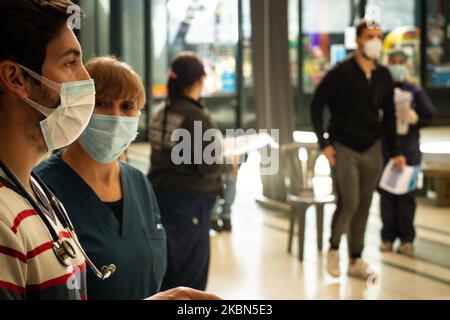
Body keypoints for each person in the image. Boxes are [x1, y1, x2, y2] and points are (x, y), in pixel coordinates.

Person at [0, 0, 218, 301]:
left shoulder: (38, 194)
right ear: (16, 78)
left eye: (128, 106)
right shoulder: (9, 216)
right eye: (70, 63)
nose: (85, 81)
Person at [34, 57, 165, 300]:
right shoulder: (42, 189)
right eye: (102, 103)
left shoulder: (139, 183)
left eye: (127, 106)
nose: (115, 117)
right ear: (76, 106)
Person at [310, 20, 406, 280]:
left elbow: (389, 116)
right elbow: (316, 106)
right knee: (349, 201)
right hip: (344, 147)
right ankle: (333, 249)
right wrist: (325, 144)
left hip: (372, 147)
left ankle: (355, 258)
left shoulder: (383, 75)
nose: (374, 41)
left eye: (378, 36)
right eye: (369, 36)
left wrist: (395, 150)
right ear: (358, 40)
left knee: (364, 204)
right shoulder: (341, 72)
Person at [149, 53, 226, 291]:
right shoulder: (195, 116)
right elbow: (210, 164)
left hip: (161, 197)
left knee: (170, 269)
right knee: (189, 279)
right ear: (201, 79)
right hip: (190, 202)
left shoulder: (163, 110)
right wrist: (229, 159)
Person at [379, 49, 435, 256]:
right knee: (386, 195)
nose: (397, 65)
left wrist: (415, 119)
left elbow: (429, 116)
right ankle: (387, 237)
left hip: (409, 149)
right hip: (385, 150)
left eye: (401, 62)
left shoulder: (415, 91)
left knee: (406, 196)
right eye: (393, 62)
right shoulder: (382, 90)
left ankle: (406, 237)